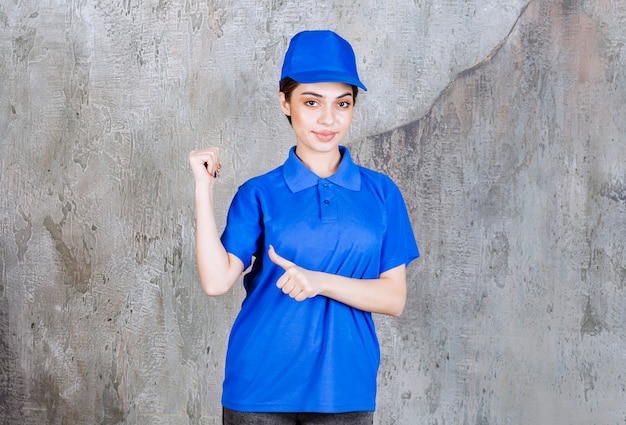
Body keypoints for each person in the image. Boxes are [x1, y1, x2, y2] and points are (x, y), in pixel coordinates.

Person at [189, 30, 420, 425]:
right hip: (259, 392)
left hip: (344, 390)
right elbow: (215, 281)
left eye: (341, 104)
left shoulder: (381, 193)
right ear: (285, 103)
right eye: (311, 102)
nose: (328, 119)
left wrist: (319, 282)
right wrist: (202, 188)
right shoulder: (259, 193)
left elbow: (393, 298)